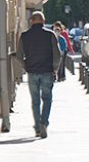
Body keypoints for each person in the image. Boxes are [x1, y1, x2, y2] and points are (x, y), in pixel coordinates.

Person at [19, 11, 61, 139]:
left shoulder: (24, 36)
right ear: (43, 21)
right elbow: (57, 54)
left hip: (32, 72)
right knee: (47, 99)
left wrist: (25, 66)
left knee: (35, 100)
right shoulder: (50, 35)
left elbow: (20, 55)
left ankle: (37, 127)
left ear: (31, 21)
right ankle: (44, 123)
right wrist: (55, 69)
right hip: (47, 71)